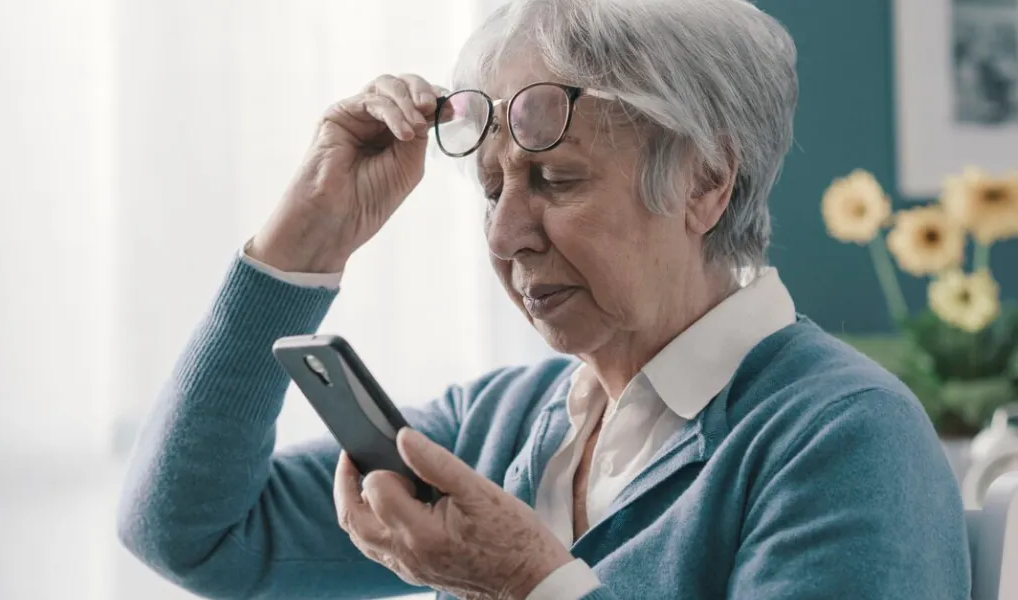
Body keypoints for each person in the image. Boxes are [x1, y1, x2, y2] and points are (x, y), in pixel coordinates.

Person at [117, 0, 971, 598]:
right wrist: (306, 240)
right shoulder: (500, 424)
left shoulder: (843, 437)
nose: (503, 237)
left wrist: (528, 584)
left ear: (706, 182)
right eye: (491, 190)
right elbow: (190, 535)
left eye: (557, 180)